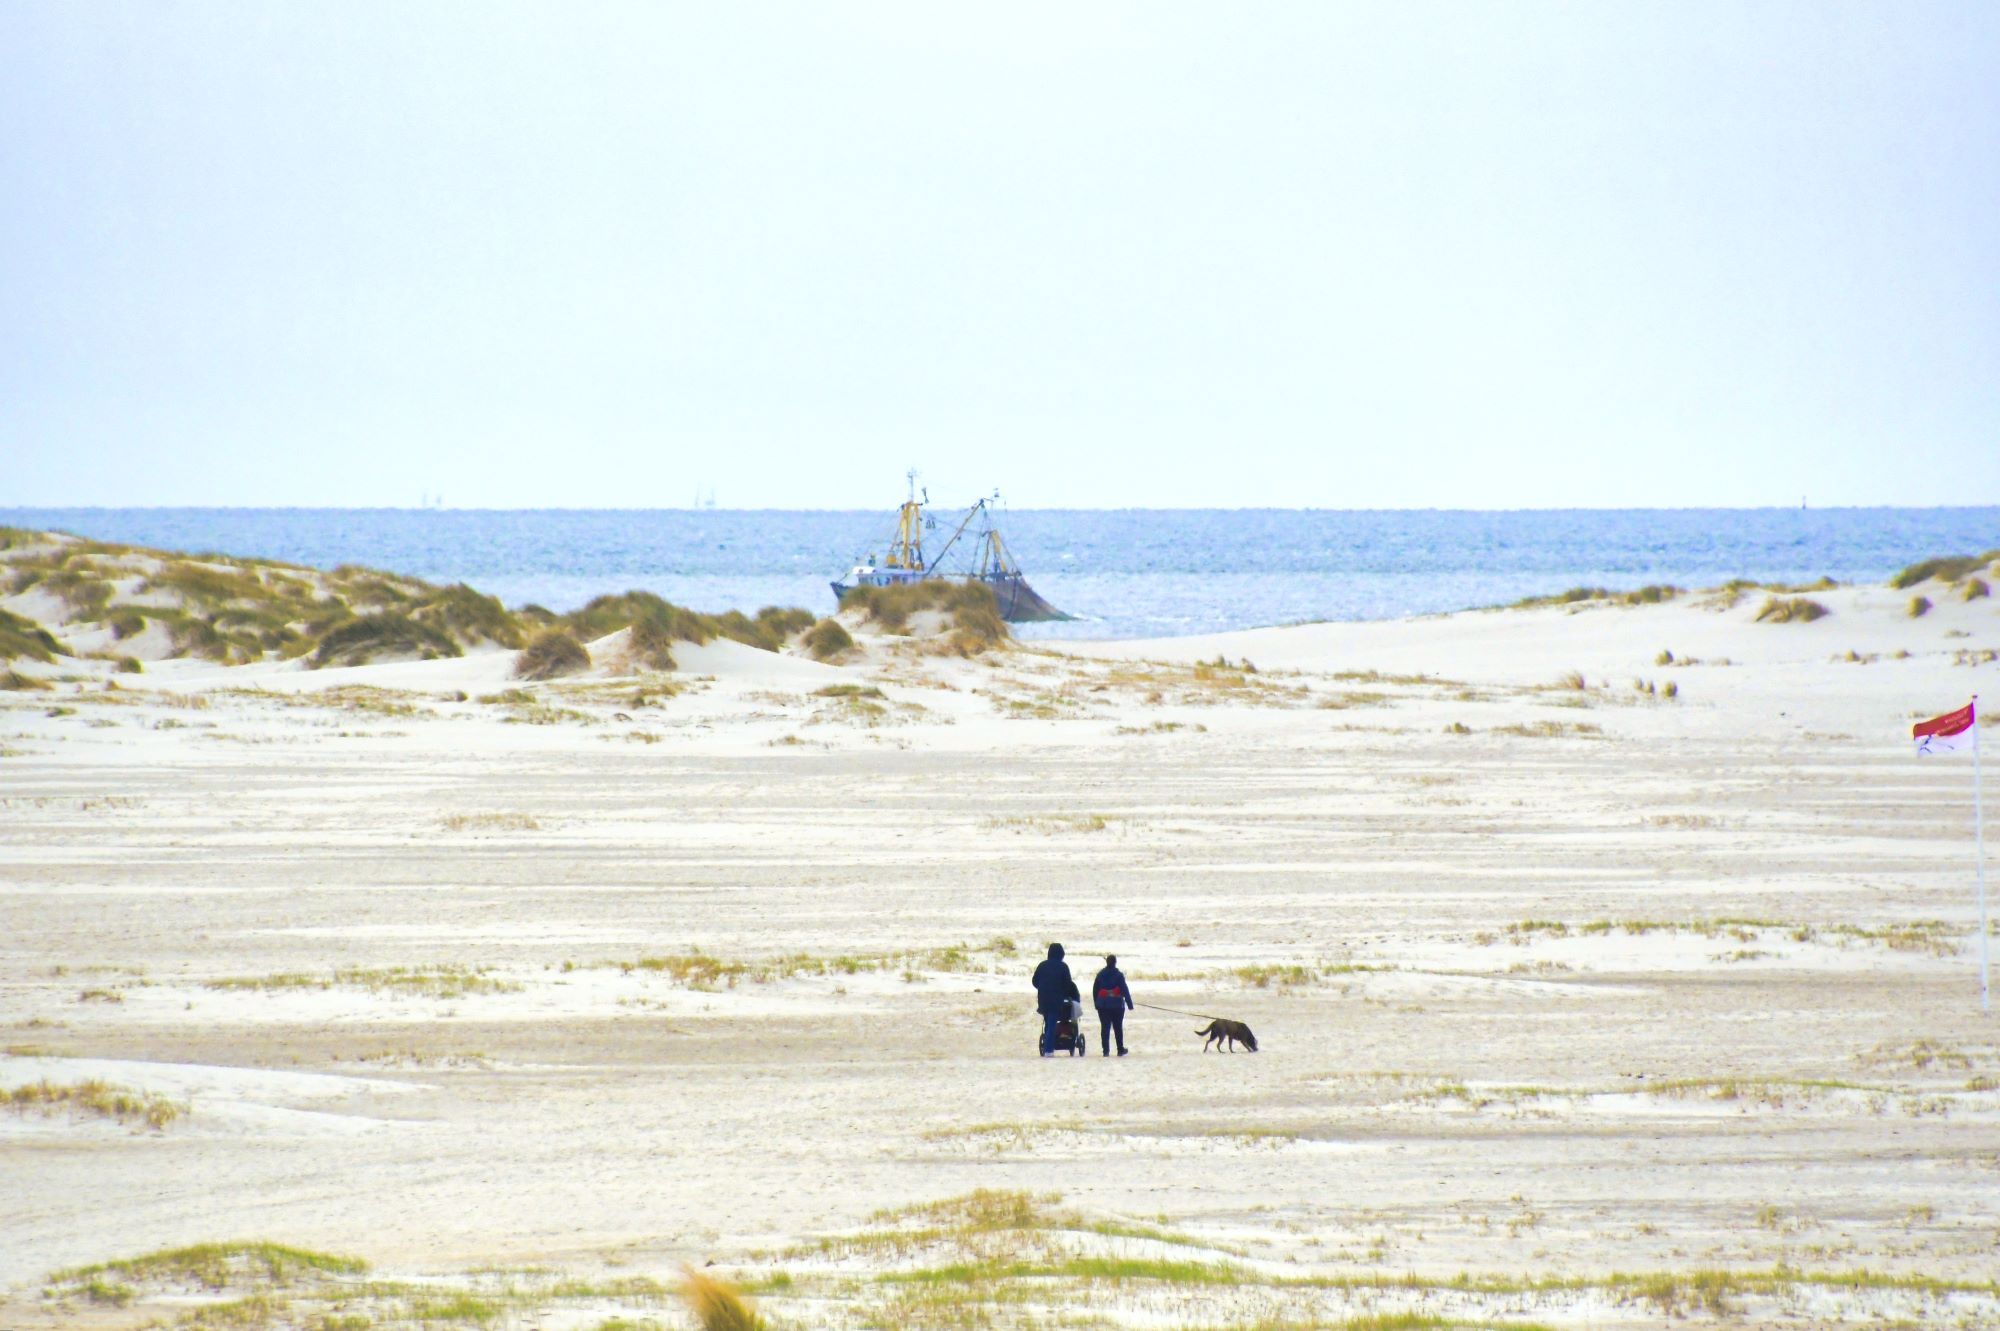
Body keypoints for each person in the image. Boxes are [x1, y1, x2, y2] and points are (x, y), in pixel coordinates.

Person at [1031, 942, 1079, 1057]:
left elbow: (1034, 981)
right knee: (1052, 1022)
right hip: (1056, 999)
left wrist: (1042, 988)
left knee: (1048, 1022)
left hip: (1043, 999)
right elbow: (1068, 984)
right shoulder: (1063, 967)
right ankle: (1048, 1050)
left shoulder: (1042, 965)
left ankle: (1048, 1045)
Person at [1092, 954, 1134, 1056]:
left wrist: (1096, 1003)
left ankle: (1106, 1051)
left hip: (1103, 1005)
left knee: (1105, 1028)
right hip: (1117, 1005)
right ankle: (1120, 1049)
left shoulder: (1100, 974)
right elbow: (1124, 989)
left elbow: (1095, 990)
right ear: (1115, 963)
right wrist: (1129, 1003)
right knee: (1118, 1027)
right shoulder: (1119, 975)